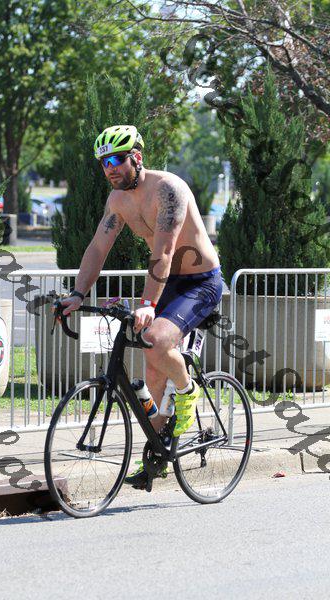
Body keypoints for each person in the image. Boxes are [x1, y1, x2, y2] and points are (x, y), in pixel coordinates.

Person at [59, 125, 223, 488]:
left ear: (137, 157)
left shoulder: (168, 190)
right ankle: (159, 451)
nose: (110, 169)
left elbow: (164, 251)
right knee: (151, 367)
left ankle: (188, 391)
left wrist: (148, 303)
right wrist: (78, 294)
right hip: (168, 282)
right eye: (104, 163)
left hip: (200, 282)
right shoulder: (118, 200)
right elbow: (97, 248)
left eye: (117, 160)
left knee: (156, 340)